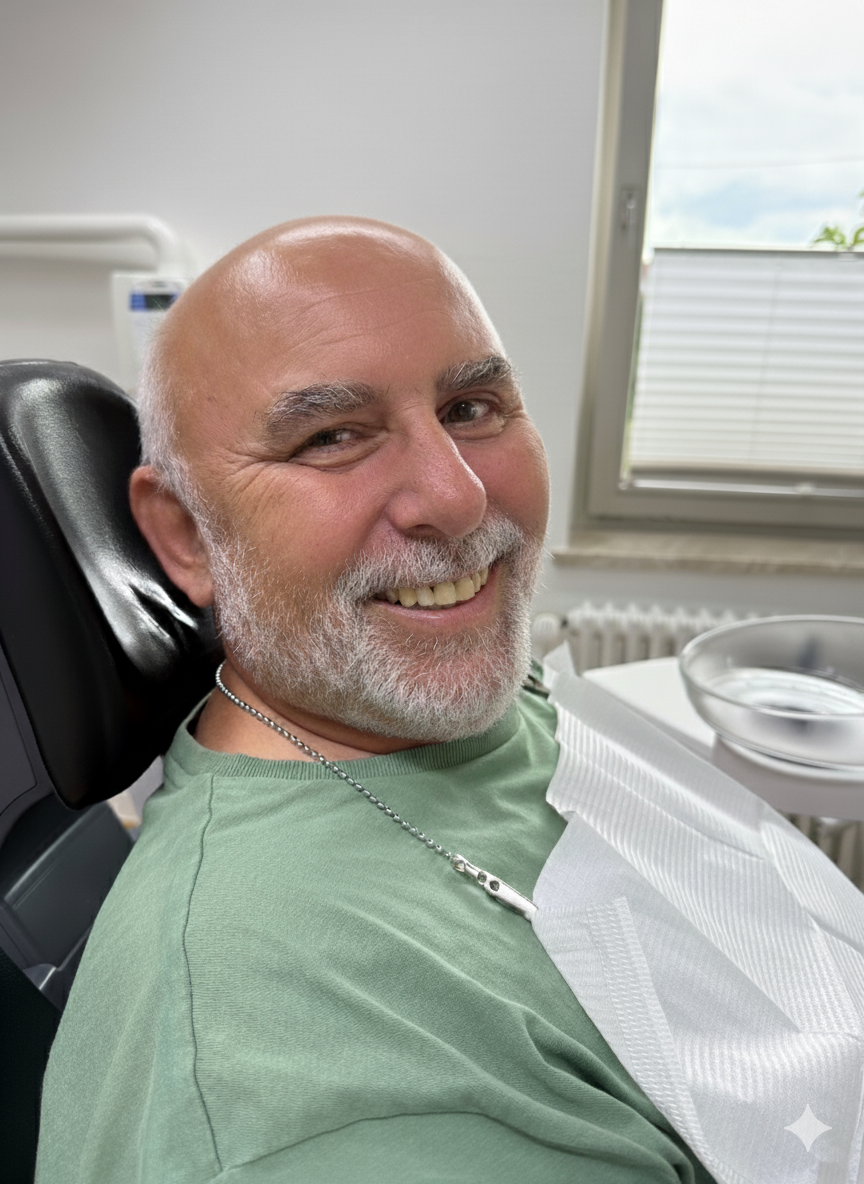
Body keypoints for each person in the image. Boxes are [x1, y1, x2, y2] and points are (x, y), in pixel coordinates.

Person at [35, 219, 864, 1184]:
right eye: (333, 437)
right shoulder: (305, 1078)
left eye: (472, 406)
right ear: (185, 537)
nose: (459, 497)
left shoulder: (437, 702)